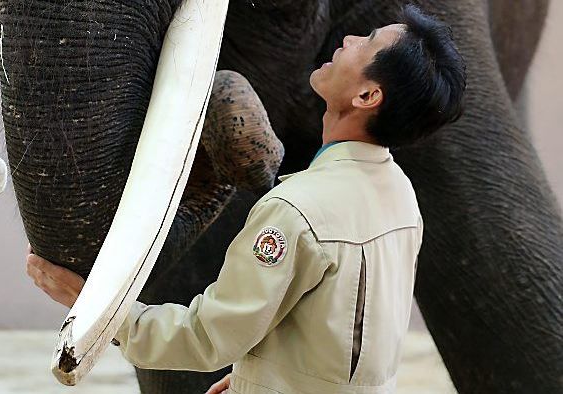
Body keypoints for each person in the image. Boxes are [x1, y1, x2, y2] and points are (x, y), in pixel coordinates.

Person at [27, 5, 466, 393]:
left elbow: (206, 337)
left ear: (368, 96)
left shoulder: (294, 211)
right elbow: (353, 324)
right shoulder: (401, 195)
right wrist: (259, 377)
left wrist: (104, 312)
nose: (349, 39)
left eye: (366, 43)